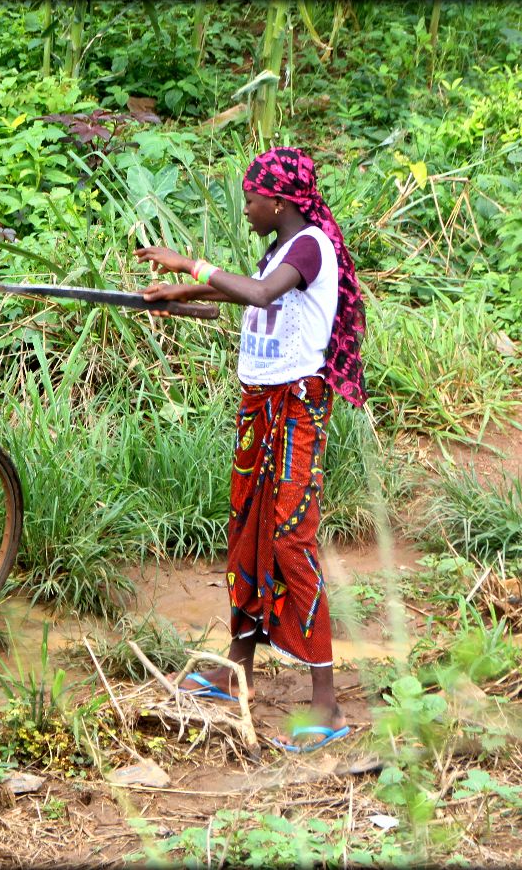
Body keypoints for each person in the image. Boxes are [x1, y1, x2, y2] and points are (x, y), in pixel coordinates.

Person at [134, 146, 367, 752]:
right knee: (248, 531)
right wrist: (178, 298)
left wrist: (190, 264)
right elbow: (257, 305)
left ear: (280, 201)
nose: (247, 210)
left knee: (290, 539)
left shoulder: (310, 244)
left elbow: (263, 295)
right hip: (260, 407)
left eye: (251, 200)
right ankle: (235, 672)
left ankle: (327, 704)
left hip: (297, 407)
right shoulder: (282, 249)